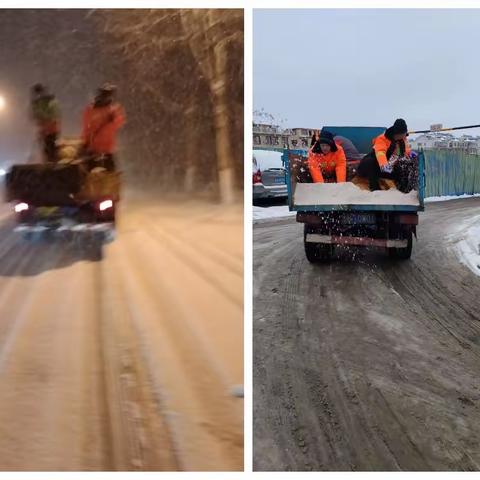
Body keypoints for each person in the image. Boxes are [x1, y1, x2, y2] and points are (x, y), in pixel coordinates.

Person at [357, 118, 411, 191]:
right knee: (370, 162)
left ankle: (403, 188)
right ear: (397, 133)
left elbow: (405, 152)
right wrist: (384, 166)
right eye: (403, 134)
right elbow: (380, 152)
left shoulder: (402, 140)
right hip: (376, 164)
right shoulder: (382, 138)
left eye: (405, 133)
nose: (404, 135)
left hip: (390, 164)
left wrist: (409, 155)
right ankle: (375, 188)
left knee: (402, 168)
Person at [81, 83, 125, 171]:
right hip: (105, 148)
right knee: (110, 174)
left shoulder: (91, 109)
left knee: (90, 175)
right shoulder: (114, 110)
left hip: (94, 148)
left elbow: (86, 128)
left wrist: (85, 142)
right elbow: (119, 123)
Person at [30, 84, 61, 163]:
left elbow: (53, 115)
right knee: (47, 149)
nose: (37, 95)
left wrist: (44, 122)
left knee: (49, 148)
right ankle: (49, 162)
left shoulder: (48, 102)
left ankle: (51, 163)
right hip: (46, 130)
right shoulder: (38, 103)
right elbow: (35, 115)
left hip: (50, 129)